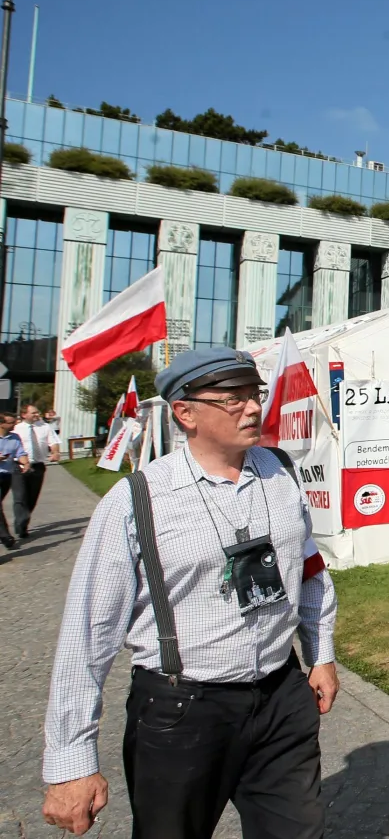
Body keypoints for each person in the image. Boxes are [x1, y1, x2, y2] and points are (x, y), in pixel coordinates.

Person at [40, 346, 339, 839]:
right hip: (184, 709)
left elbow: (309, 570)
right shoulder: (138, 499)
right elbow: (86, 634)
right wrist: (71, 761)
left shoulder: (279, 472)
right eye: (233, 399)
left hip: (281, 696)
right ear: (185, 413)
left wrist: (320, 652)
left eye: (254, 395)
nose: (251, 408)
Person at [14, 403, 62, 539]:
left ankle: (23, 522)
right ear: (24, 415)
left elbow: (53, 442)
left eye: (37, 412)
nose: (37, 415)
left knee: (32, 498)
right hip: (20, 466)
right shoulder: (17, 429)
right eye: (33, 413)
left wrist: (55, 452)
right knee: (20, 497)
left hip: (38, 466)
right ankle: (20, 523)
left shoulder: (45, 427)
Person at [0, 412, 31, 550]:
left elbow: (20, 453)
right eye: (11, 422)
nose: (15, 424)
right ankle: (5, 535)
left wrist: (25, 463)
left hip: (6, 475)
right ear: (1, 424)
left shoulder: (15, 437)